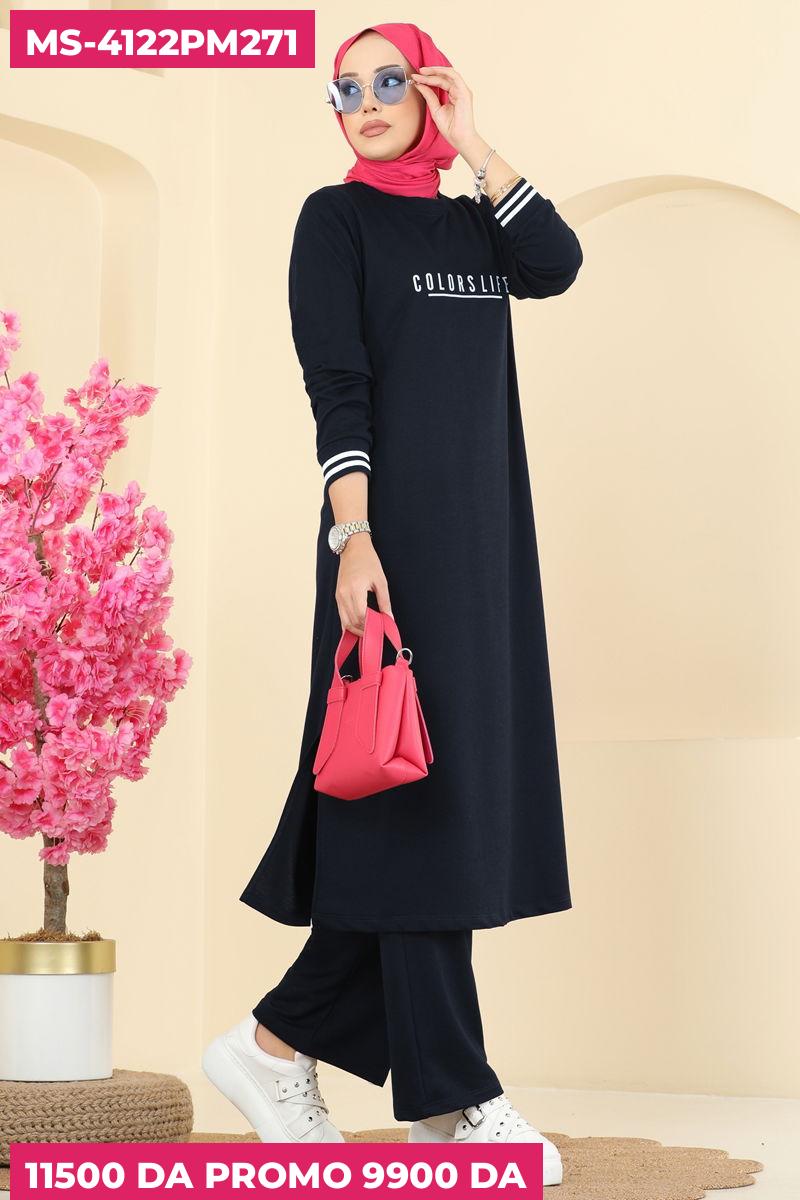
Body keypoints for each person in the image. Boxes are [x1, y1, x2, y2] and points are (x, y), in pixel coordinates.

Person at [202, 22, 583, 1179]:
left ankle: (273, 1046)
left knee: (437, 807)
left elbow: (556, 262)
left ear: (426, 90)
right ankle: (454, 1099)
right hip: (392, 547)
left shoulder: (475, 226)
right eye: (345, 89)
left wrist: (475, 144)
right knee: (415, 805)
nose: (364, 103)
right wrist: (353, 536)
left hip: (486, 551)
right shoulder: (336, 221)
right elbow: (338, 385)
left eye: (387, 82)